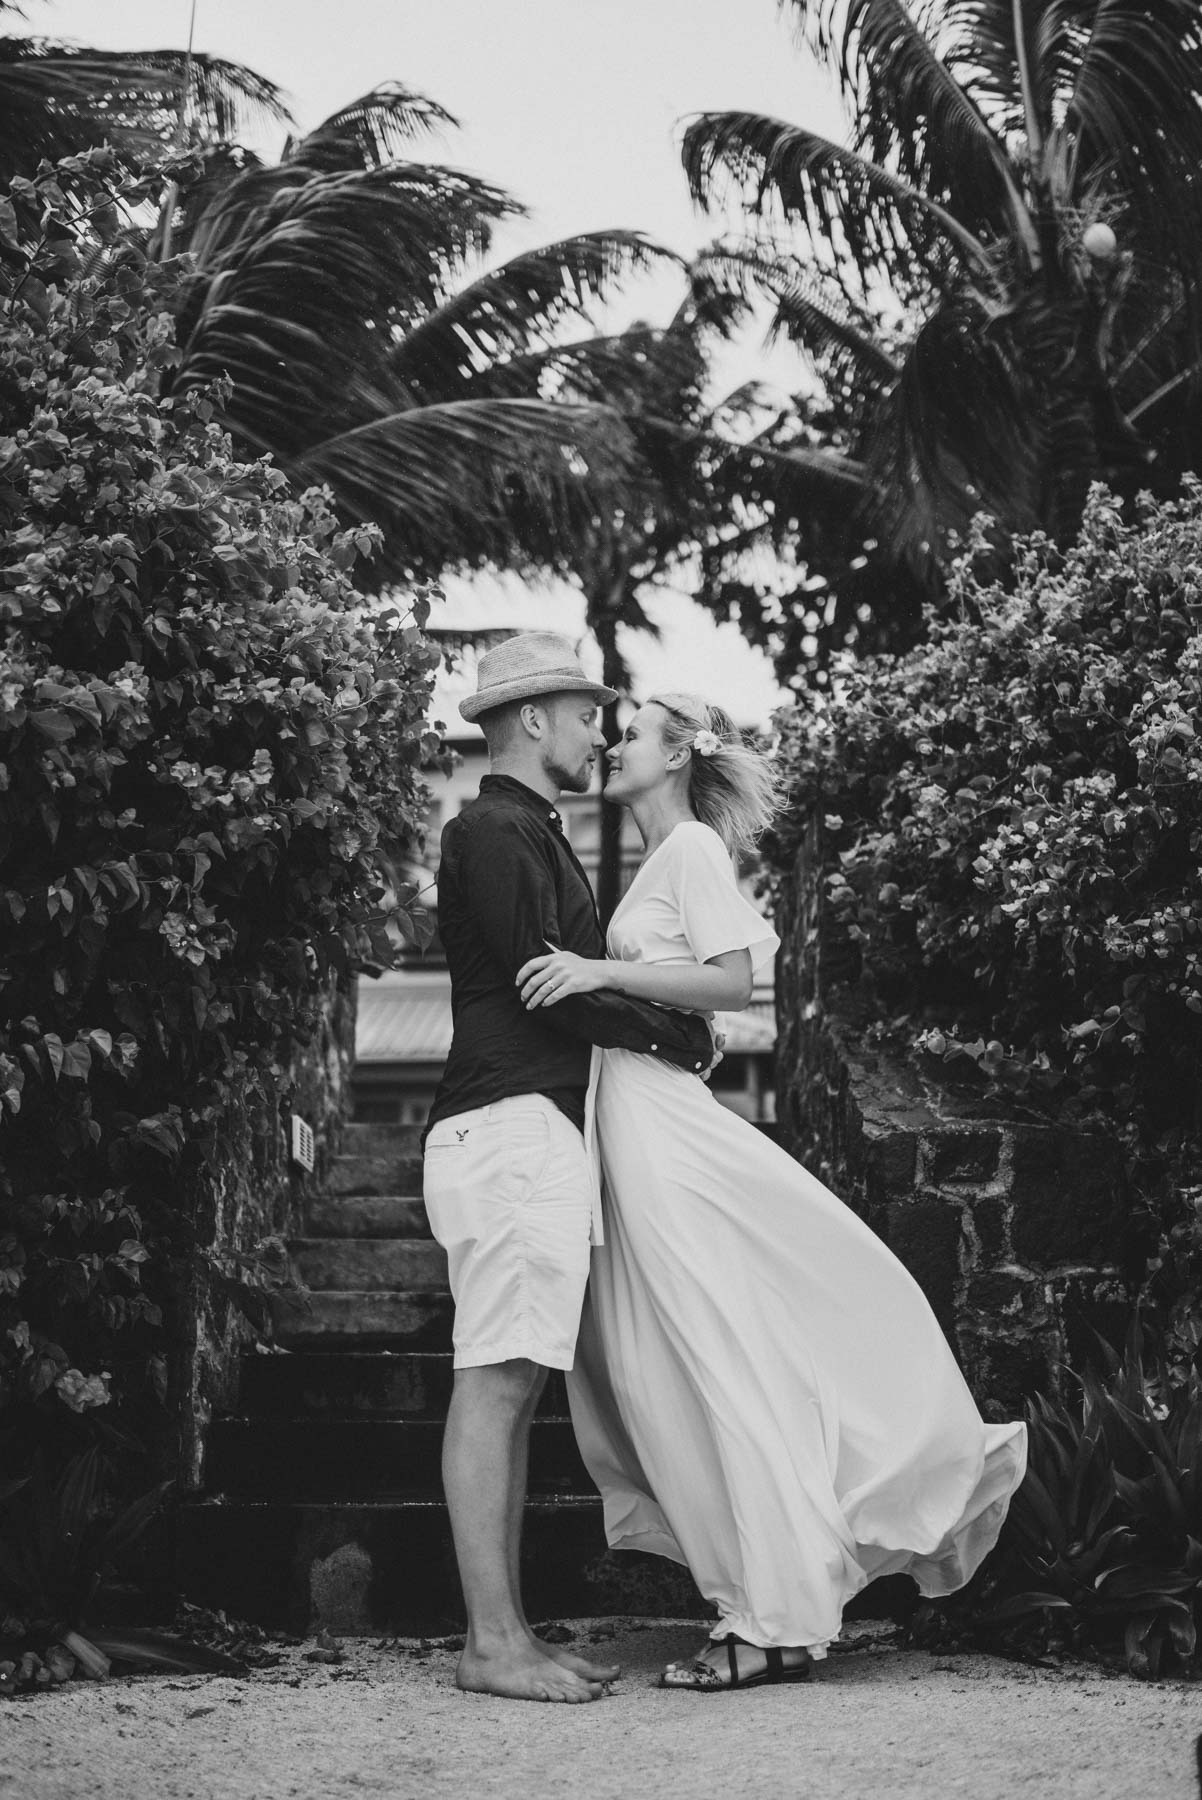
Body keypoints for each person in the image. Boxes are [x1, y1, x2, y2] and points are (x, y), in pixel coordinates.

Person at [516, 692, 1028, 1692]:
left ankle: (771, 1616)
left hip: (659, 1124)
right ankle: (766, 1598)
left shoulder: (694, 851)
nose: (611, 744)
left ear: (674, 758)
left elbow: (728, 985)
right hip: (629, 1118)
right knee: (665, 1359)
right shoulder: (661, 859)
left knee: (709, 1350)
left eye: (629, 733)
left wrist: (588, 973)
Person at [423, 635, 718, 1704]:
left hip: (527, 1132)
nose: (600, 731)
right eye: (587, 713)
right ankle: (491, 1645)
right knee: (496, 1383)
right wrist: (676, 1034)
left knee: (513, 1381)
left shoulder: (524, 828)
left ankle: (504, 1635)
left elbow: (568, 975)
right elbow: (550, 986)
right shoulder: (493, 830)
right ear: (534, 718)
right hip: (505, 1131)